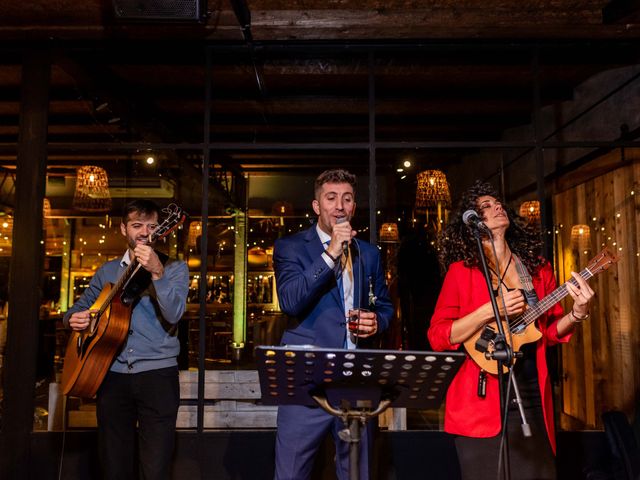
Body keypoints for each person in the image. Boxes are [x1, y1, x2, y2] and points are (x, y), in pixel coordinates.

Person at [427, 181, 594, 480]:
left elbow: (552, 330)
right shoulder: (460, 272)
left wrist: (577, 314)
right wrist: (491, 310)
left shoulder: (537, 268)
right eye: (486, 207)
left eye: (498, 203)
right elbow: (439, 336)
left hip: (530, 396)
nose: (496, 207)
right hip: (479, 402)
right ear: (472, 225)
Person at [273, 169, 394, 480]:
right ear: (317, 206)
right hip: (305, 377)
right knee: (291, 473)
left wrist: (376, 322)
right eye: (331, 198)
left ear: (354, 206)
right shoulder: (290, 248)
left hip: (355, 377)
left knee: (358, 472)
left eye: (347, 198)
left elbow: (384, 306)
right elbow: (290, 301)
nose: (340, 206)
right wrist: (330, 254)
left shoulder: (369, 253)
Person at [64, 199, 189, 480]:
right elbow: (77, 309)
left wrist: (158, 272)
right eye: (136, 225)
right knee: (114, 465)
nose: (144, 232)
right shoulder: (107, 272)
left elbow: (174, 314)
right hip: (111, 375)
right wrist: (72, 319)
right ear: (123, 229)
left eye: (152, 226)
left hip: (157, 375)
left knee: (155, 468)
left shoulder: (175, 269)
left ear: (162, 230)